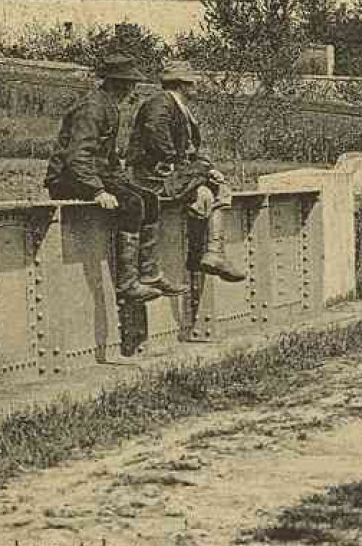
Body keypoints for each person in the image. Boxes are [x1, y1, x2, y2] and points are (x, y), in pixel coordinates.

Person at [44, 53, 177, 357]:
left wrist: (122, 181)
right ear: (121, 84)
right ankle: (129, 281)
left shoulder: (108, 106)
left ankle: (148, 272)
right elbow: (78, 156)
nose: (133, 91)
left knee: (148, 198)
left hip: (93, 172)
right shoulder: (93, 108)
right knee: (131, 204)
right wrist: (97, 191)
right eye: (131, 84)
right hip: (68, 177)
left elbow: (107, 160)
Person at [128, 61, 246, 342]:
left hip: (163, 174)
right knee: (215, 189)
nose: (196, 87)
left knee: (211, 189)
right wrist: (190, 167)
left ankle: (211, 253)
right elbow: (158, 139)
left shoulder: (175, 105)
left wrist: (200, 167)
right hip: (152, 178)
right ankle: (211, 253)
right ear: (183, 85)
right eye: (192, 82)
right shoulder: (161, 104)